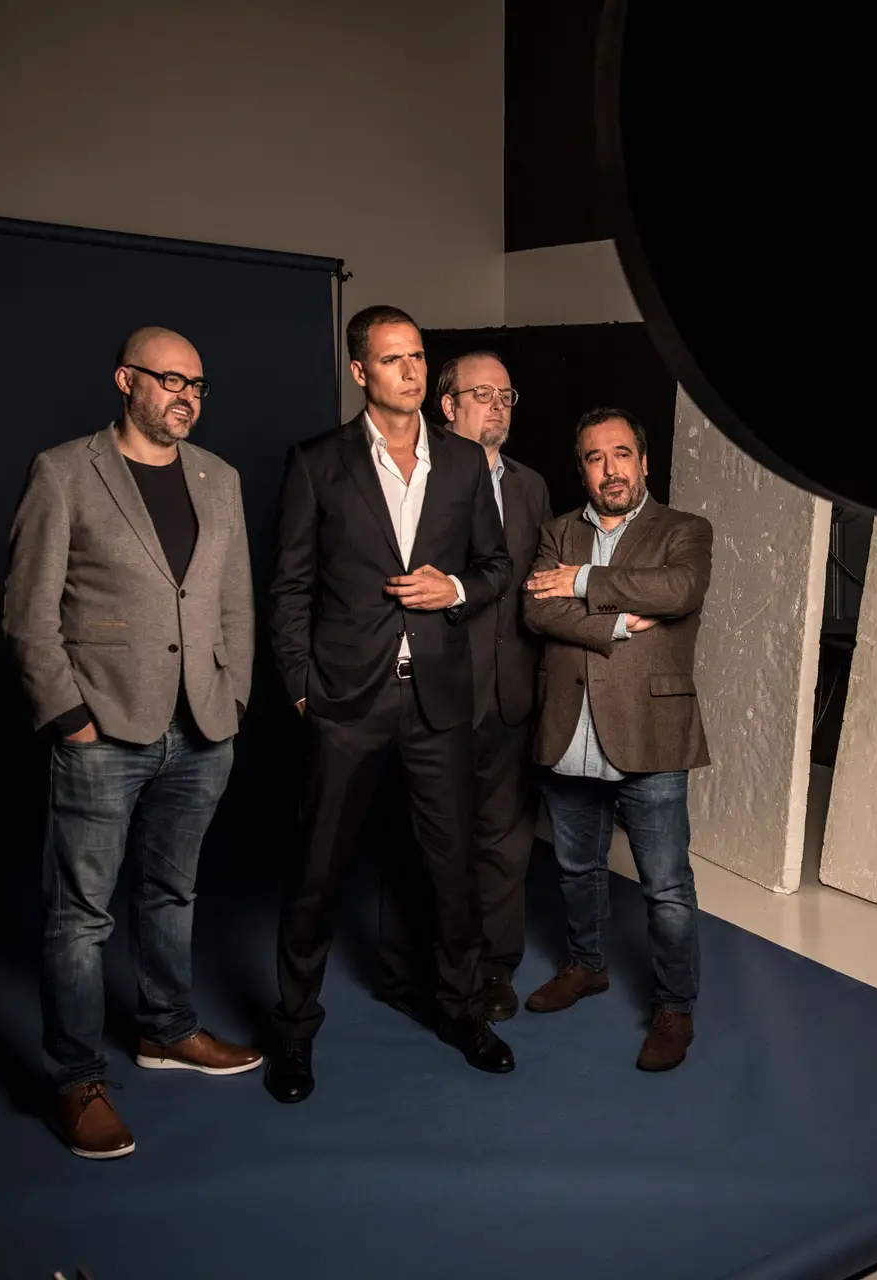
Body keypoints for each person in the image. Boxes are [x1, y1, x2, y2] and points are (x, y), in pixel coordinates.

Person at [3, 326, 262, 1160]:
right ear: (126, 380)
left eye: (197, 384)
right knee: (79, 917)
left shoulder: (219, 477)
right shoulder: (64, 471)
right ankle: (76, 1080)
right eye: (170, 380)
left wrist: (234, 696)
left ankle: (167, 1029)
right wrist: (68, 717)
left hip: (203, 729)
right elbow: (28, 611)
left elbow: (235, 602)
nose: (186, 396)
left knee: (172, 892)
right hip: (102, 731)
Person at [265, 305, 516, 1102]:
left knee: (452, 871)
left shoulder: (465, 462)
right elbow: (289, 586)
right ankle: (295, 1031)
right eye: (392, 359)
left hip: (437, 702)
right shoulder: (317, 463)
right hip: (345, 702)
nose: (411, 371)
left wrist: (456, 590)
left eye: (417, 357)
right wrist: (301, 687)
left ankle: (463, 1010)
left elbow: (497, 566)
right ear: (359, 371)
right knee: (317, 874)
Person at [522, 407, 714, 1071]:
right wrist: (618, 624)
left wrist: (581, 582)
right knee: (576, 870)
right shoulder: (556, 531)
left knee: (666, 887)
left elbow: (678, 590)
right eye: (596, 457)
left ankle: (675, 1006)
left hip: (650, 731)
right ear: (581, 469)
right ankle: (587, 966)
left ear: (644, 461)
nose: (611, 469)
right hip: (570, 730)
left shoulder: (684, 530)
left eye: (622, 453)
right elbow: (535, 610)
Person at [377, 352, 551, 1024]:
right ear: (447, 406)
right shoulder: (417, 474)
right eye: (482, 394)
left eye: (506, 395)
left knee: (504, 841)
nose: (497, 406)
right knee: (423, 837)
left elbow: (533, 587)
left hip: (511, 693)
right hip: (438, 688)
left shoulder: (531, 487)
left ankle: (493, 967)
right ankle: (408, 967)